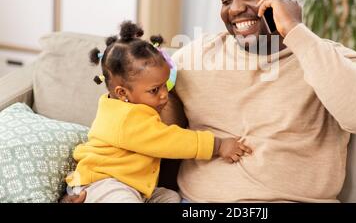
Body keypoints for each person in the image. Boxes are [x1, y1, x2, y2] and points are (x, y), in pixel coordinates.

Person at [64, 0, 356, 203]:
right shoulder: (196, 55)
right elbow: (131, 123)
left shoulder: (327, 59)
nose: (234, 9)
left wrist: (295, 32)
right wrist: (87, 187)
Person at [64, 21, 252, 203]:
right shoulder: (126, 118)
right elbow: (169, 141)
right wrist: (217, 145)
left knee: (170, 197)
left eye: (165, 85)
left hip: (133, 185)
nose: (164, 95)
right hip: (102, 183)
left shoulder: (123, 106)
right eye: (155, 90)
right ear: (122, 93)